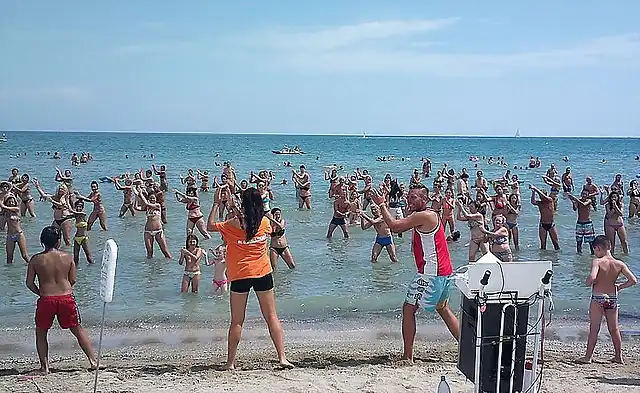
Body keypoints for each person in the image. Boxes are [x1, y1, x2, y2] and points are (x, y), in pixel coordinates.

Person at [370, 185, 460, 363]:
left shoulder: (423, 216)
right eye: (408, 197)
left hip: (431, 273)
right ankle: (467, 347)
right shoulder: (430, 214)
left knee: (409, 309)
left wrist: (381, 205)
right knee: (443, 309)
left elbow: (395, 227)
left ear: (424, 200)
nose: (408, 201)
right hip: (443, 271)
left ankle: (407, 356)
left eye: (413, 198)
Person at [206, 187, 293, 370]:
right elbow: (277, 229)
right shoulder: (264, 223)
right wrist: (262, 212)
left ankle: (230, 363)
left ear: (242, 205)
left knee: (237, 321)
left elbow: (210, 226)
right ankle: (282, 357)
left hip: (240, 276)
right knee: (271, 316)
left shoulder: (232, 225)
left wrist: (216, 203)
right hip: (263, 273)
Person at [26, 226, 97, 374]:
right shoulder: (68, 257)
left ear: (42, 242)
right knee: (77, 329)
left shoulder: (36, 259)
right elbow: (73, 280)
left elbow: (29, 283)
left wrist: (40, 292)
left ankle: (44, 367)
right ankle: (92, 361)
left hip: (46, 299)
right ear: (59, 241)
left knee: (41, 333)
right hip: (66, 298)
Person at [576, 236, 637, 365]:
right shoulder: (619, 264)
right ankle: (618, 356)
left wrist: (588, 281)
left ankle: (588, 357)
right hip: (612, 298)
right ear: (609, 246)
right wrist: (620, 286)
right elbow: (633, 280)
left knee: (594, 329)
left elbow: (592, 277)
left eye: (595, 250)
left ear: (597, 248)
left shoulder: (597, 261)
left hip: (598, 298)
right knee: (614, 329)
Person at [568, 190, 595, 254]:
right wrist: (573, 202)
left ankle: (592, 254)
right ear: (581, 194)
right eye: (583, 194)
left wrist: (575, 198)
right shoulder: (578, 200)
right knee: (579, 241)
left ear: (588, 195)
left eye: (585, 194)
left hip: (588, 223)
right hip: (579, 223)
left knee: (591, 241)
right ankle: (579, 255)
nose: (584, 195)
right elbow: (575, 209)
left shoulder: (589, 201)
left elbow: (584, 205)